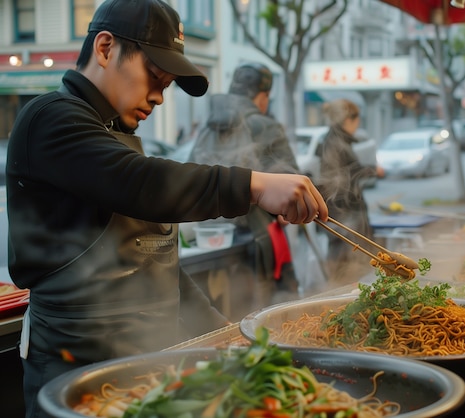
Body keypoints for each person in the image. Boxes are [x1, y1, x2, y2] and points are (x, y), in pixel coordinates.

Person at [5, 1, 327, 417]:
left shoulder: (121, 135)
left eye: (167, 85)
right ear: (105, 48)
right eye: (154, 77)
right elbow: (140, 183)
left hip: (149, 366)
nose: (158, 96)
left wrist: (223, 334)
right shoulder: (50, 119)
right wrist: (254, 184)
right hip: (76, 371)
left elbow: (154, 265)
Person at [189, 62, 300, 304]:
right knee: (260, 316)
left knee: (223, 312)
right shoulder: (265, 125)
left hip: (210, 238)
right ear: (262, 96)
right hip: (254, 239)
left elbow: (191, 176)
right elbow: (292, 185)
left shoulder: (208, 127)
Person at [317, 99, 378, 283]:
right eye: (357, 119)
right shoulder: (335, 142)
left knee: (350, 271)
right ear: (348, 119)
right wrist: (371, 170)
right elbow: (342, 178)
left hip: (345, 216)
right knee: (345, 273)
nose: (358, 125)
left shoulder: (335, 139)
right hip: (343, 216)